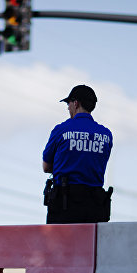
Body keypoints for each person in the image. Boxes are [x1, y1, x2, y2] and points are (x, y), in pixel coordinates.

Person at [42, 84, 114, 224]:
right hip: (96, 206)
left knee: (61, 246)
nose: (68, 108)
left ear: (76, 103)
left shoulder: (61, 130)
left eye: (68, 103)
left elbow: (46, 167)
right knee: (91, 246)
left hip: (65, 205)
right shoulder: (106, 134)